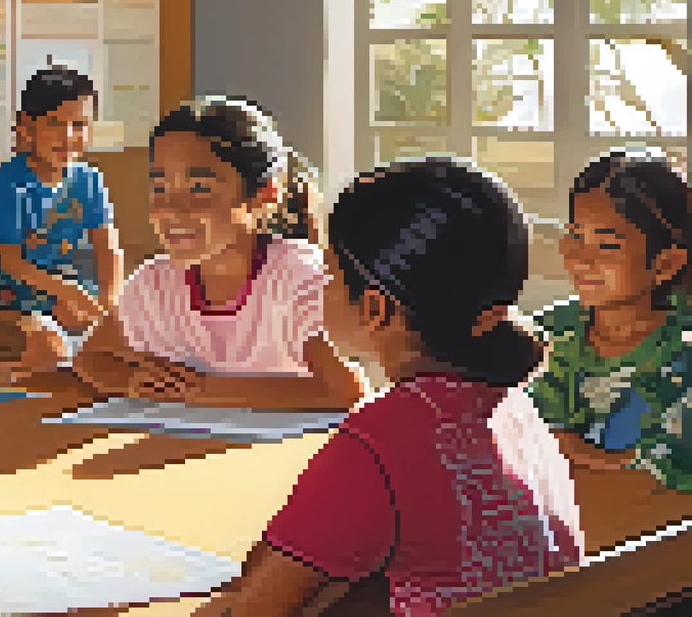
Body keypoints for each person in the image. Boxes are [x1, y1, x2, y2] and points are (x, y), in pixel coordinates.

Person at [194, 158, 582, 617]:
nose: (320, 288)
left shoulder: (377, 444)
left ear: (376, 309)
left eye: (332, 275)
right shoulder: (515, 410)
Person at [72, 99, 360, 410]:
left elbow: (347, 391)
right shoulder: (153, 283)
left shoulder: (298, 278)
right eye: (159, 187)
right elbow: (91, 358)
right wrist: (130, 382)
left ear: (264, 195)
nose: (171, 208)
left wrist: (196, 389)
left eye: (199, 188)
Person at [528, 148, 690, 490]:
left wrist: (578, 451)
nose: (580, 258)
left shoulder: (683, 350)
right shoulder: (544, 335)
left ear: (665, 264)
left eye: (606, 245)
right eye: (575, 237)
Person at [0, 67, 122, 378]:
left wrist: (109, 307)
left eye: (79, 125)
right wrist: (67, 294)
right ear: (27, 127)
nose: (67, 136)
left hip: (76, 294)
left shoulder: (89, 180)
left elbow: (108, 251)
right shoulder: (8, 183)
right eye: (54, 123)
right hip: (20, 298)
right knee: (49, 348)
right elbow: (13, 265)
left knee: (117, 346)